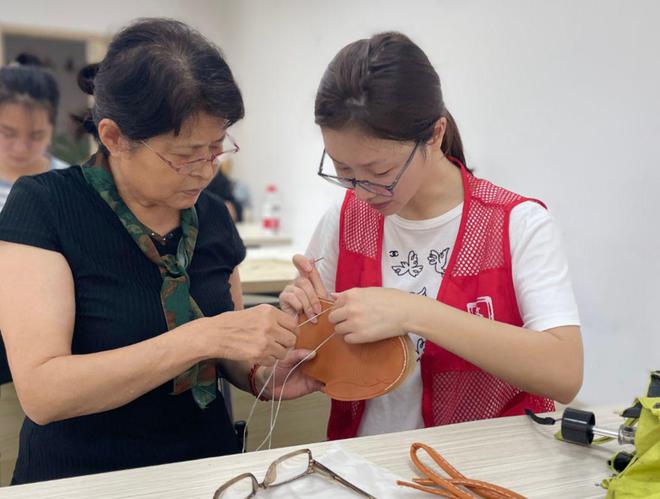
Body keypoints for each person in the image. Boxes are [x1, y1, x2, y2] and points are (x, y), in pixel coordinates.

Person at [0, 18, 318, 485]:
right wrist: (201, 338)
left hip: (208, 474)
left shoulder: (210, 216)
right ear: (113, 137)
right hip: (84, 480)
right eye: (186, 155)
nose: (205, 171)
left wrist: (263, 370)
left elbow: (226, 353)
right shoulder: (45, 207)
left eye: (215, 148)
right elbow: (44, 393)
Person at [279, 32, 584, 440]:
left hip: (486, 469)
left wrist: (413, 312)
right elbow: (316, 352)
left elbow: (564, 373)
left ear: (435, 135)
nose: (363, 192)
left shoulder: (515, 224)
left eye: (380, 173)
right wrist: (305, 323)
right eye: (343, 172)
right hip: (367, 464)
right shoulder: (345, 220)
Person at [0, 54, 68, 386]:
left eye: (36, 134)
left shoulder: (67, 183)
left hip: (50, 334)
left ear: (52, 128)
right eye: (7, 132)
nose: (21, 147)